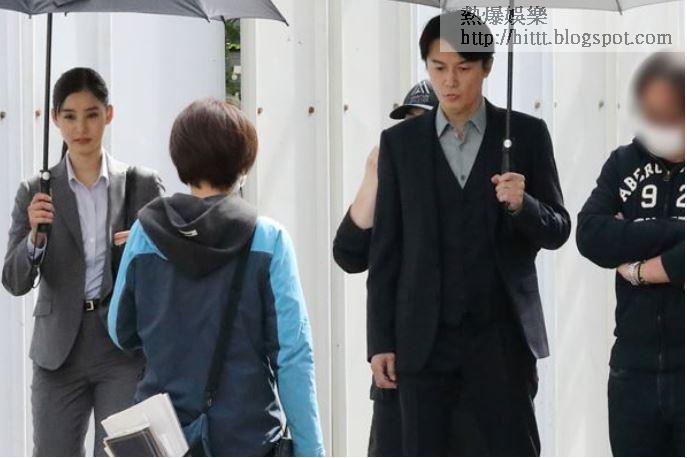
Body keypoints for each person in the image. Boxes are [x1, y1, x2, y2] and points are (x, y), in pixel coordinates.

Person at [366, 10, 570, 456]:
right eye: (438, 67)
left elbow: (558, 229)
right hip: (422, 343)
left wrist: (523, 204)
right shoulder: (400, 144)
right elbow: (386, 251)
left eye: (463, 67)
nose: (450, 81)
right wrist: (380, 341)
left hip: (501, 340)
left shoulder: (526, 134)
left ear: (487, 66)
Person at [108, 99, 325, 457]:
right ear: (244, 165)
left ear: (181, 161)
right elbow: (293, 357)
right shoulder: (268, 239)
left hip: (163, 441)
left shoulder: (144, 234)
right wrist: (311, 451)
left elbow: (121, 331)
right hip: (246, 437)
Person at [1, 67, 164, 456]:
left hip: (122, 347)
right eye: (70, 116)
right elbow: (14, 280)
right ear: (55, 119)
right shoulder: (36, 191)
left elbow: (169, 271)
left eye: (92, 114)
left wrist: (144, 248)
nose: (81, 128)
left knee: (125, 453)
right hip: (58, 351)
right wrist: (34, 238)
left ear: (109, 114)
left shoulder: (142, 184)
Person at [577, 52, 684, 457]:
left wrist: (643, 269)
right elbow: (590, 234)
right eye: (650, 115)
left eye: (668, 115)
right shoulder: (623, 163)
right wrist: (674, 232)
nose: (658, 126)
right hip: (632, 368)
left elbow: (616, 238)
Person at [332, 80, 438, 456]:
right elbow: (349, 254)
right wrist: (374, 175)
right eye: (408, 122)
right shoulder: (391, 176)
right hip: (398, 368)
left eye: (424, 123)